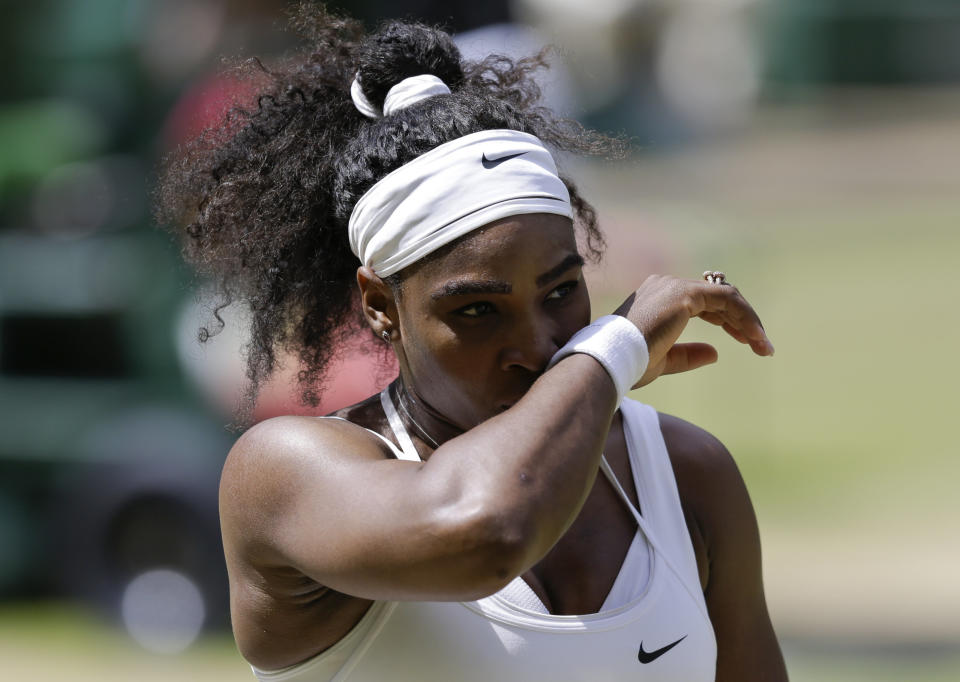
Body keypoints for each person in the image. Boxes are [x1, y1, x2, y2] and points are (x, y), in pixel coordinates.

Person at [158, 7, 787, 681]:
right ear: (379, 307)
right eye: (479, 310)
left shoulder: (685, 472)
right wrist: (614, 346)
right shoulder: (283, 474)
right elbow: (490, 534)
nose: (537, 345)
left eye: (560, 292)